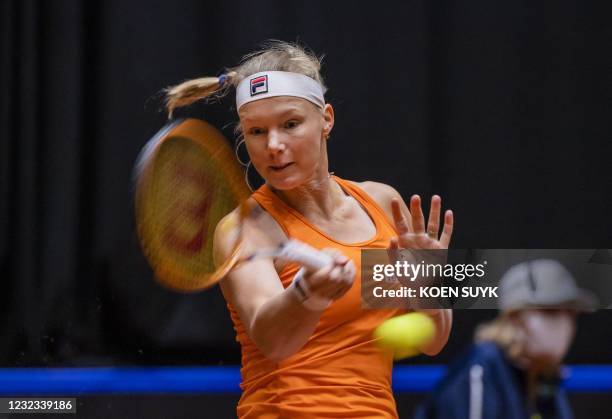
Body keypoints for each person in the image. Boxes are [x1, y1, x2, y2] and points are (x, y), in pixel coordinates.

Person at [165, 41, 454, 418]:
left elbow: (435, 341)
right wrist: (308, 293)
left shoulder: (382, 203)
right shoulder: (243, 229)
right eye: (256, 131)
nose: (273, 145)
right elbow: (273, 339)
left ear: (327, 119)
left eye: (290, 124)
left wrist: (427, 285)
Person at [415, 259, 597, 419]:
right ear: (514, 318)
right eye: (550, 311)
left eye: (571, 314)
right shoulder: (482, 367)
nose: (563, 323)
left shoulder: (545, 377)